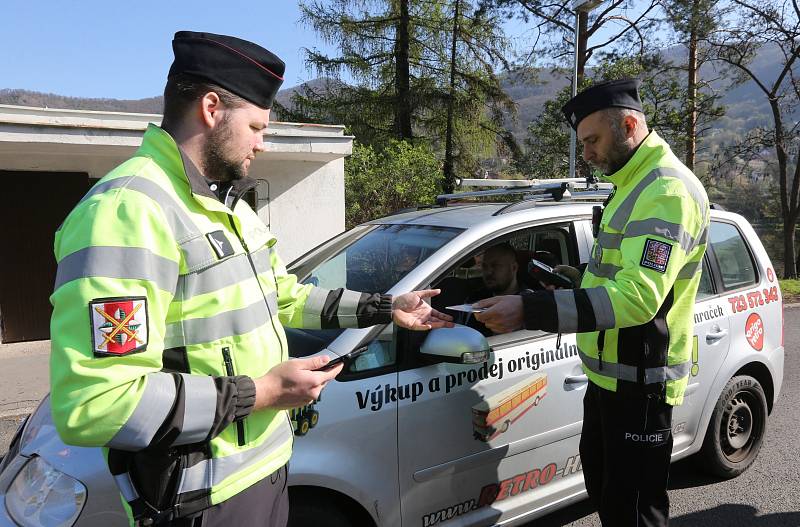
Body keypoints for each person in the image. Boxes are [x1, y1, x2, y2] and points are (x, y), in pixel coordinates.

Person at [48, 31, 453, 527]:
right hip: (202, 501)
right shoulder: (128, 211)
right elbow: (96, 403)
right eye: (257, 126)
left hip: (265, 473)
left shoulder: (226, 208)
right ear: (212, 107)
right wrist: (260, 393)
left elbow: (284, 299)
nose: (263, 142)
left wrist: (387, 308)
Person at [473, 78, 710, 526]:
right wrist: (575, 280)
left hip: (642, 383)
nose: (586, 154)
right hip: (609, 380)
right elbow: (620, 276)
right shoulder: (630, 183)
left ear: (628, 124)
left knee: (634, 511)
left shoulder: (665, 191)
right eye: (583, 144)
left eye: (593, 141)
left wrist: (529, 308)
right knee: (607, 495)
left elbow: (640, 298)